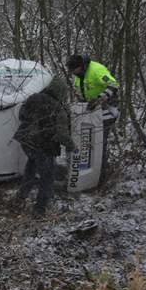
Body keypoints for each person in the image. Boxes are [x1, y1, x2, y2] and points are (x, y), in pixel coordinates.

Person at [13, 77, 75, 216]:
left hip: (27, 142)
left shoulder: (34, 97)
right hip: (44, 145)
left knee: (31, 167)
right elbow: (62, 135)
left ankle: (21, 197)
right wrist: (72, 147)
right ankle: (39, 209)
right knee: (47, 177)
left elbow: (21, 115)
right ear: (61, 93)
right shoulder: (59, 109)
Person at [66, 54, 119, 181]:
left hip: (107, 108)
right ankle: (87, 171)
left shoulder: (96, 70)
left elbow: (114, 84)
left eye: (75, 70)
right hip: (92, 109)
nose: (73, 73)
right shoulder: (78, 76)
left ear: (81, 66)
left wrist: (100, 98)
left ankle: (100, 173)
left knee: (100, 141)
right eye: (72, 71)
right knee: (87, 141)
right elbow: (82, 92)